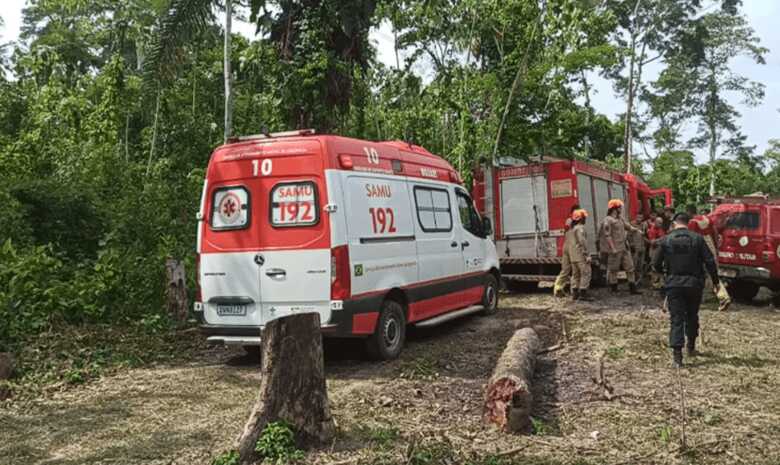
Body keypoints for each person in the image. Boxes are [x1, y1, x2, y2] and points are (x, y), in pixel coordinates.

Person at [653, 213, 720, 368]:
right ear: (688, 223)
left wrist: (665, 275)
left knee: (676, 318)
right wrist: (716, 282)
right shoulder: (697, 239)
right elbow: (710, 261)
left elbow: (655, 263)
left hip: (674, 285)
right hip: (694, 284)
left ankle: (677, 357)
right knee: (692, 314)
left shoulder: (666, 239)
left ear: (674, 223)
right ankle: (691, 346)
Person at [601, 199, 641, 294]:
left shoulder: (620, 218)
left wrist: (637, 230)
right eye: (619, 207)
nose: (621, 209)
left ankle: (633, 288)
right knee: (613, 269)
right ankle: (614, 289)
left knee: (630, 267)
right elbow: (607, 235)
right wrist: (613, 248)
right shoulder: (608, 220)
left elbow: (628, 227)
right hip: (615, 249)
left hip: (624, 247)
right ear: (614, 209)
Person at [553, 204, 581, 298]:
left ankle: (560, 289)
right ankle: (567, 290)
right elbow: (568, 229)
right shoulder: (571, 221)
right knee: (573, 270)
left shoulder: (572, 222)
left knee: (567, 270)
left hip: (568, 247)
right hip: (571, 248)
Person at [569, 209, 593, 301]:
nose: (585, 219)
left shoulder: (572, 229)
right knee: (586, 273)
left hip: (573, 256)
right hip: (580, 256)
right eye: (584, 217)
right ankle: (583, 293)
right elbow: (582, 241)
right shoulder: (580, 228)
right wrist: (587, 254)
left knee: (575, 275)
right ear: (581, 219)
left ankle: (575, 294)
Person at [629, 213, 648, 285]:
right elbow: (629, 236)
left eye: (641, 217)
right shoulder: (632, 225)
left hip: (642, 247)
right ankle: (633, 281)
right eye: (638, 217)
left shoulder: (644, 225)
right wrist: (631, 245)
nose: (639, 219)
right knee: (634, 265)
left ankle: (639, 281)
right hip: (635, 248)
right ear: (636, 217)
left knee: (641, 265)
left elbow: (645, 235)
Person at [647, 217, 666, 290]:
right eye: (659, 223)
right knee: (654, 267)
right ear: (655, 222)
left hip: (660, 251)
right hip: (654, 251)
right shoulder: (652, 230)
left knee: (659, 267)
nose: (660, 224)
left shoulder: (660, 229)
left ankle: (659, 284)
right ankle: (654, 284)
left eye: (661, 223)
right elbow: (652, 242)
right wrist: (662, 239)